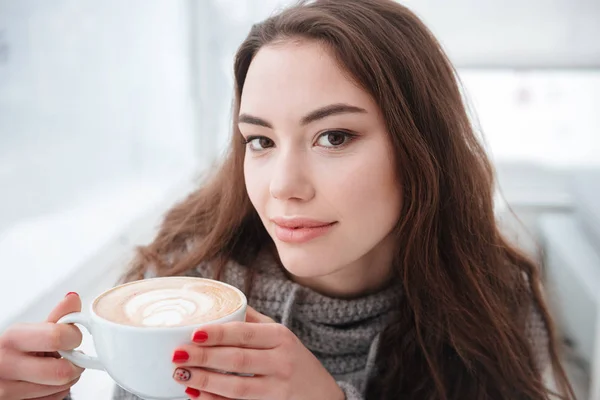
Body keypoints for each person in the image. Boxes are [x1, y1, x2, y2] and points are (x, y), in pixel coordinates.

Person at [0, 0, 576, 399]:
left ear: (421, 147)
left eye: (334, 137)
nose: (282, 186)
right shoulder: (184, 285)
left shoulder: (489, 300)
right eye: (261, 141)